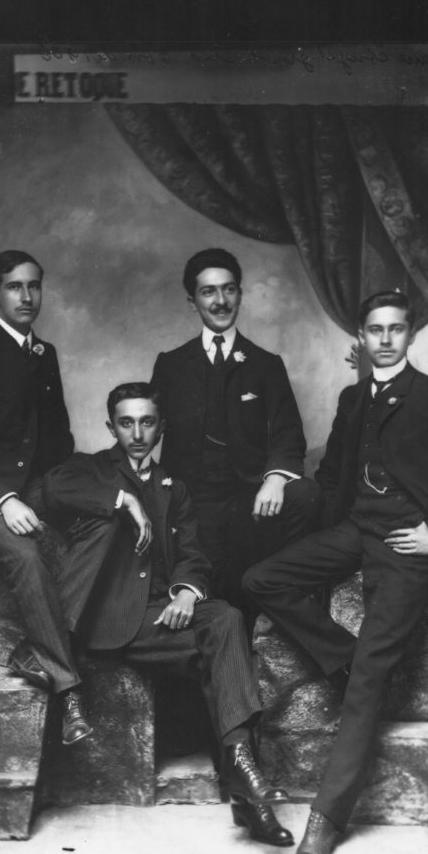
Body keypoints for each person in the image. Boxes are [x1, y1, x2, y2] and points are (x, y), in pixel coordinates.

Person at [242, 291, 428, 854]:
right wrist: (293, 500)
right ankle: (341, 658)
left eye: (396, 329)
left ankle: (326, 819)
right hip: (354, 531)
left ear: (410, 335)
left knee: (369, 679)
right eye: (374, 330)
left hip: (408, 548)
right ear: (360, 338)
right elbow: (332, 479)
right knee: (262, 578)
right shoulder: (352, 398)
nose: (385, 339)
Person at [41, 383, 293, 847]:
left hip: (159, 616)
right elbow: (53, 487)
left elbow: (193, 555)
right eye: (126, 423)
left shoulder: (174, 489)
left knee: (225, 620)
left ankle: (244, 779)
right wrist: (123, 500)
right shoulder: (91, 469)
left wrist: (187, 594)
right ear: (111, 428)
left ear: (161, 428)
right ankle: (248, 793)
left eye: (147, 422)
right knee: (222, 649)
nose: (137, 434)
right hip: (109, 618)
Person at [0, 249, 92, 745]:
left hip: (35, 488)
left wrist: (70, 492)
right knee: (26, 556)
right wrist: (6, 501)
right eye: (14, 287)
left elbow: (59, 440)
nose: (27, 296)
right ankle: (69, 689)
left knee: (104, 522)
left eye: (34, 286)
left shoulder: (45, 354)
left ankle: (38, 648)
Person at [150, 248, 320, 623]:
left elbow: (288, 432)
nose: (221, 301)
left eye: (228, 289)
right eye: (208, 291)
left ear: (240, 294)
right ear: (192, 301)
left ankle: (284, 603)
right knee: (211, 597)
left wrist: (275, 480)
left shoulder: (265, 365)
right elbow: (145, 431)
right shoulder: (171, 365)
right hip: (191, 501)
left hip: (249, 499)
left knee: (304, 495)